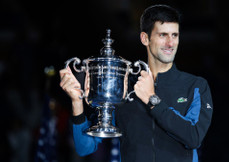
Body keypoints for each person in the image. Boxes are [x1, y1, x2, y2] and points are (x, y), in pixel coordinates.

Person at [59, 4, 213, 162]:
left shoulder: (196, 86)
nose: (170, 43)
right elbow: (85, 147)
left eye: (174, 35)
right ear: (145, 38)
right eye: (163, 35)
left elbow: (193, 137)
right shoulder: (124, 88)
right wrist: (76, 103)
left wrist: (152, 99)